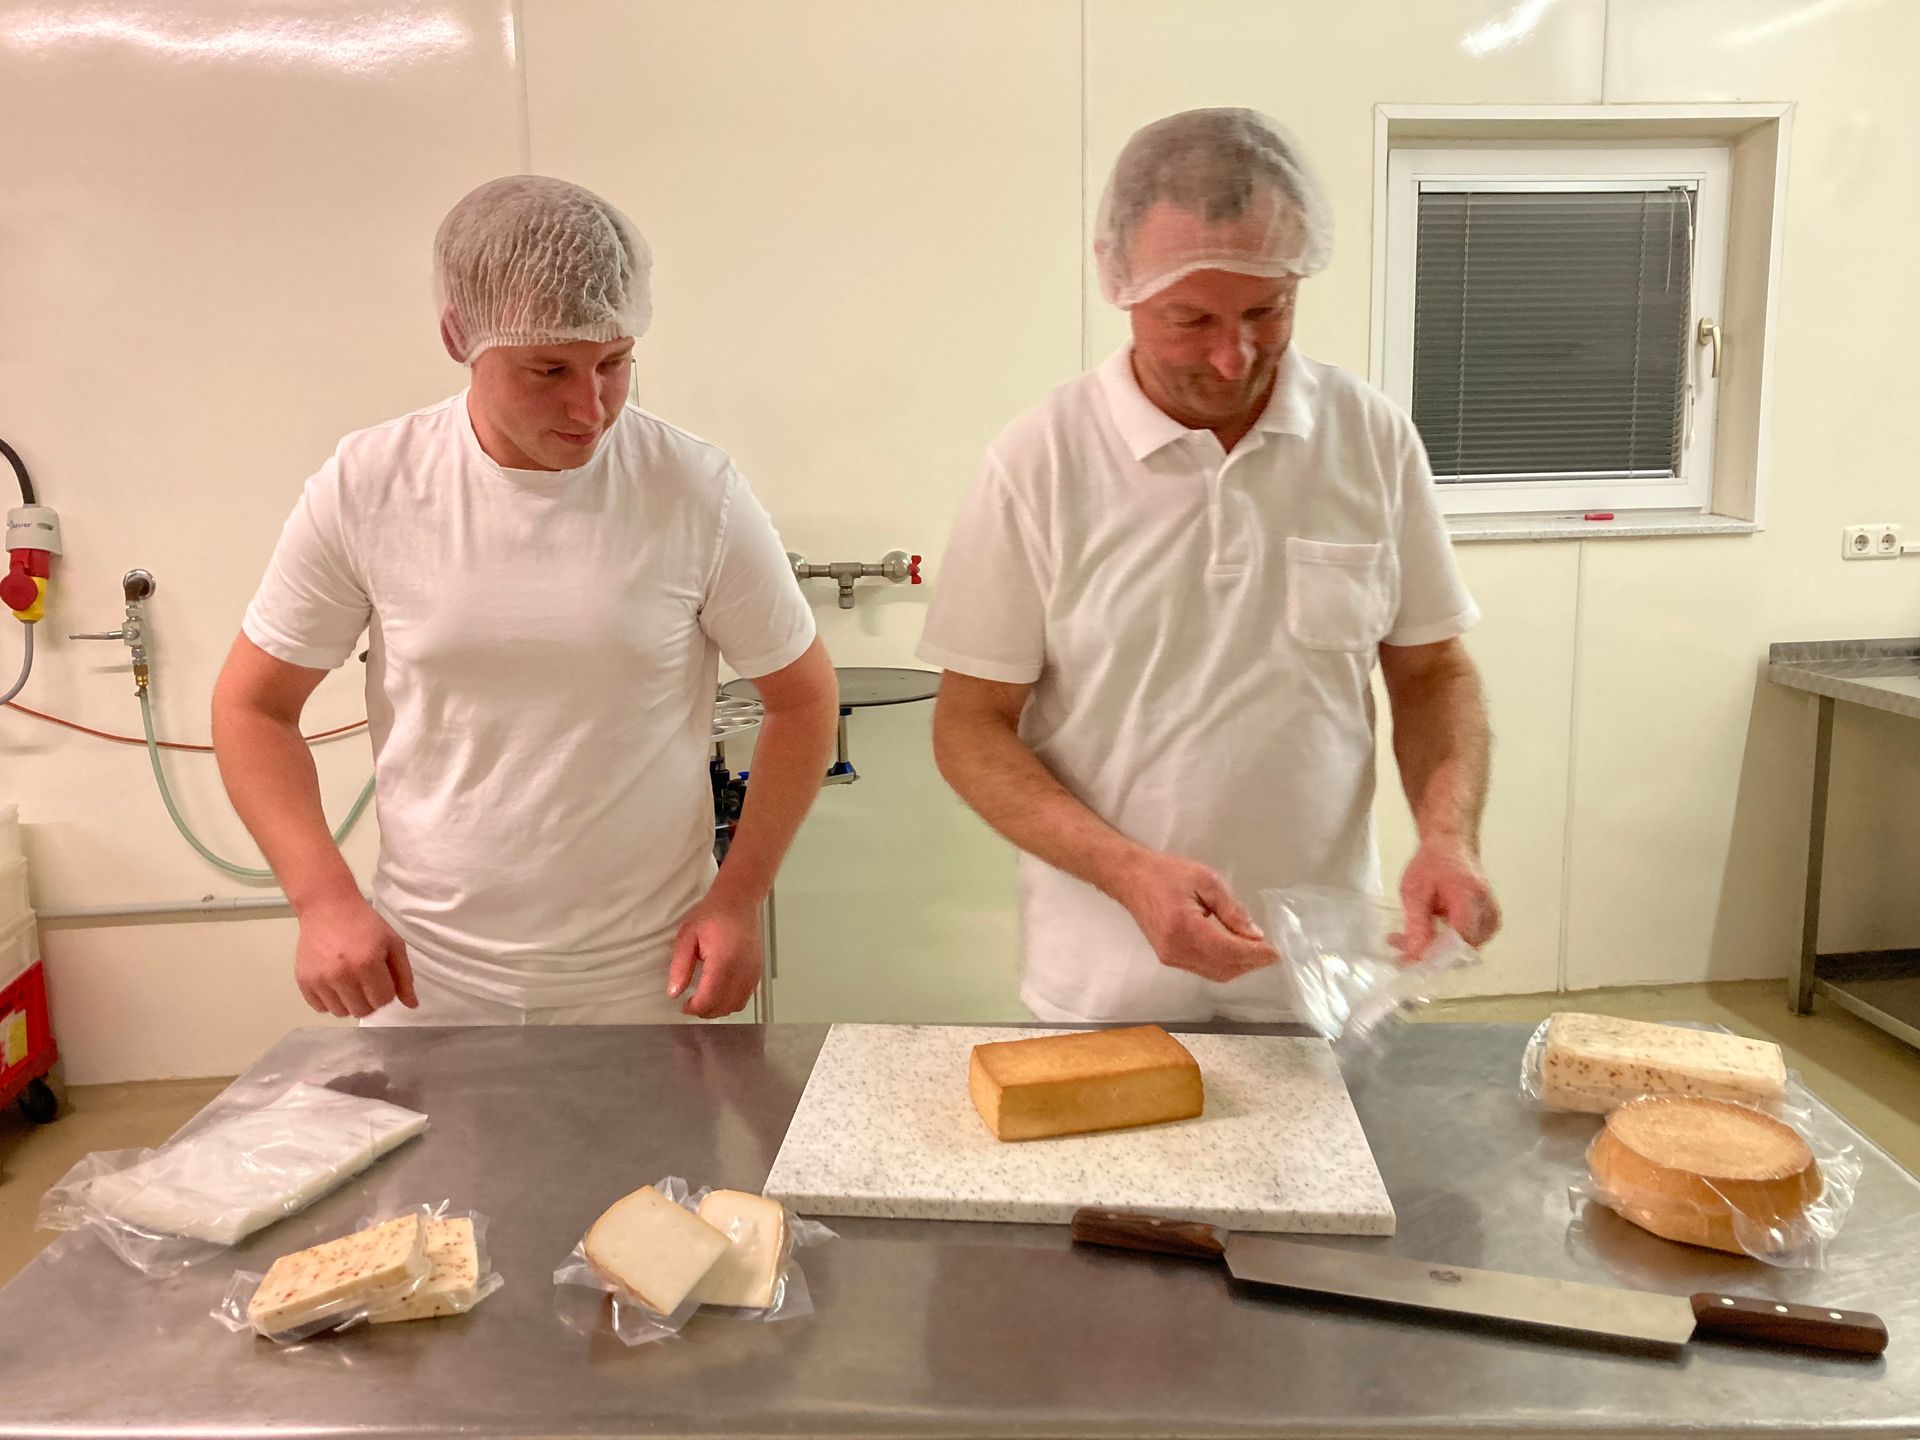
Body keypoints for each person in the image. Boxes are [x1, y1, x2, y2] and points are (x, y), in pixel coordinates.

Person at [918, 109, 1499, 1023]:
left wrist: (1447, 836)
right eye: (1190, 320)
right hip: (1106, 984)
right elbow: (970, 726)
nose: (1233, 359)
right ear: (1120, 281)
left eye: (1268, 311)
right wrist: (1126, 871)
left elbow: (1431, 672)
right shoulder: (1041, 461)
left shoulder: (1369, 439)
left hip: (1320, 980)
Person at [212, 175, 837, 1025]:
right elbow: (253, 707)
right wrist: (322, 898)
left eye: (615, 363)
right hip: (426, 977)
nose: (591, 407)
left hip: (646, 977)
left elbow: (802, 698)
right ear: (459, 338)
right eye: (549, 370)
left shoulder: (694, 491)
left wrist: (738, 897)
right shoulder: (371, 486)